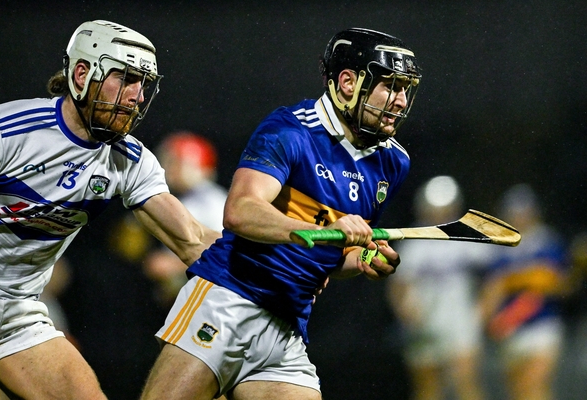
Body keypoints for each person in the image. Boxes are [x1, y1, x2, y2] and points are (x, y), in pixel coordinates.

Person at [0, 20, 221, 399]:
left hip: (18, 312)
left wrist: (282, 253)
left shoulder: (130, 161)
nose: (136, 95)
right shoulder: (4, 129)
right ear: (83, 74)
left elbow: (193, 240)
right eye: (126, 78)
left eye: (142, 84)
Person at [140, 27, 421, 400]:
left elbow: (337, 252)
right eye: (391, 86)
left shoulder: (393, 161)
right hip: (229, 298)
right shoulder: (291, 129)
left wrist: (364, 257)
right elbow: (240, 212)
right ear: (349, 82)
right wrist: (323, 228)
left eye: (405, 89)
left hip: (288, 325)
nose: (401, 101)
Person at [386, 175, 488, 400]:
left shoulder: (466, 236)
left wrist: (483, 310)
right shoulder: (412, 241)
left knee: (466, 383)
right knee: (428, 389)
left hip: (461, 321)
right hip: (424, 322)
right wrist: (407, 315)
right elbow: (398, 285)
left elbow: (493, 274)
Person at [479, 183, 568, 400]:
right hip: (510, 329)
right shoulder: (500, 244)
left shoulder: (547, 240)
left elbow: (552, 281)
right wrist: (488, 319)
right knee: (518, 390)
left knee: (534, 385)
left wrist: (514, 280)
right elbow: (493, 287)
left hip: (542, 324)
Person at [143, 131, 228, 304]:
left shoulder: (210, 201)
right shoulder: (188, 198)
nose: (167, 167)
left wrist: (173, 266)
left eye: (175, 162)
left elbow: (226, 252)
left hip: (215, 296)